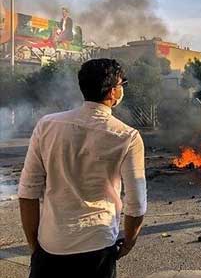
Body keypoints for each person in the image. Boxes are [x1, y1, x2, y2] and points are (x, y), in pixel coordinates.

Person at [18, 59, 147, 278]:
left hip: (50, 246)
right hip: (97, 247)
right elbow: (136, 205)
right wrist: (129, 243)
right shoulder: (127, 137)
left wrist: (35, 246)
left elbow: (27, 193)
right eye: (122, 84)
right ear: (113, 92)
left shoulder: (47, 125)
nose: (122, 89)